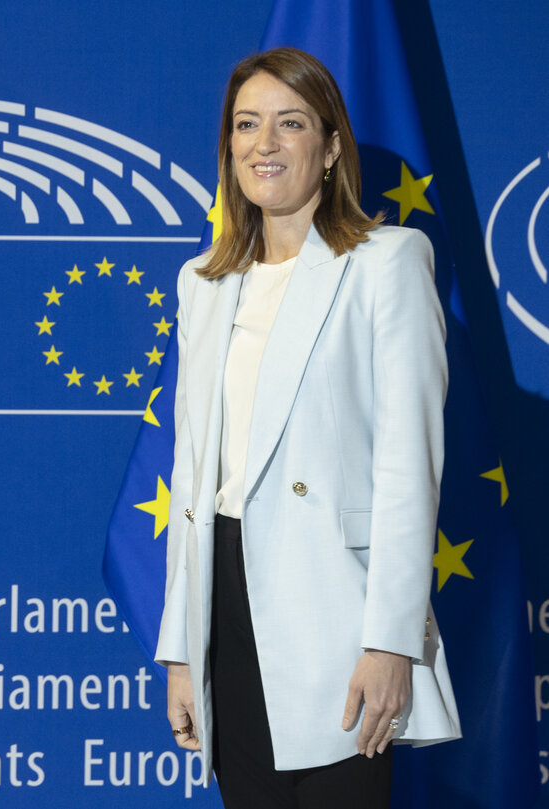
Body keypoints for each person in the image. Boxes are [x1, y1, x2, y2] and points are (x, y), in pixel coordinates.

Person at [155, 48, 460, 807]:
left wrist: (390, 640)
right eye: (246, 124)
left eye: (290, 124)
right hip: (225, 609)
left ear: (329, 150)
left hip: (335, 611)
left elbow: (407, 469)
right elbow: (192, 475)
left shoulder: (387, 263)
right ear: (228, 149)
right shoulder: (203, 284)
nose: (265, 143)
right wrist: (181, 652)